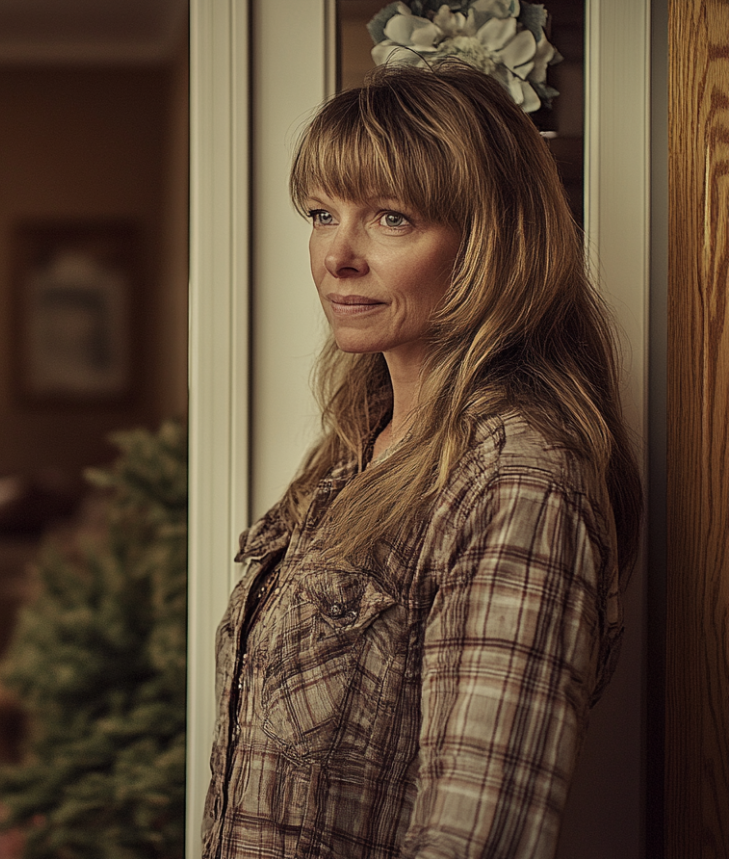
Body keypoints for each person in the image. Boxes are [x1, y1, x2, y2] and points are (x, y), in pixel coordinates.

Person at [202, 62, 642, 858]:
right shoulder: (353, 447)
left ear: (488, 241)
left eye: (391, 218)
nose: (335, 256)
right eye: (320, 212)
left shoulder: (516, 481)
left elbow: (476, 839)